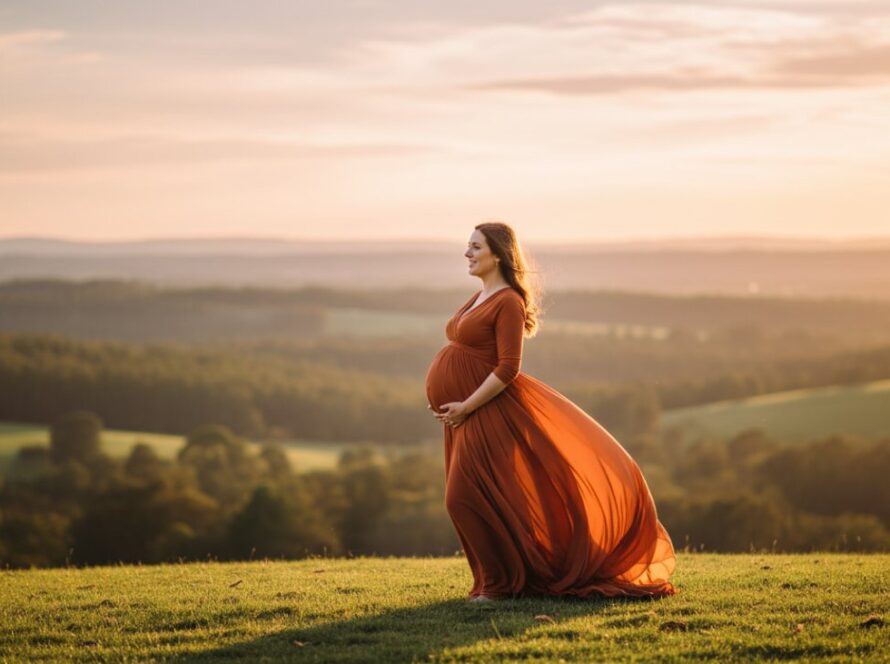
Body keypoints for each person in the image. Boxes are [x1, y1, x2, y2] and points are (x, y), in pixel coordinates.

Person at [425, 222, 677, 603]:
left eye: (476, 247)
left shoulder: (508, 301)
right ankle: (497, 584)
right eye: (468, 246)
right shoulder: (478, 297)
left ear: (498, 254)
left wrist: (466, 405)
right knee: (492, 497)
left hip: (486, 412)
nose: (467, 254)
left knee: (462, 497)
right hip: (463, 416)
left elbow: (509, 368)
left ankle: (497, 588)